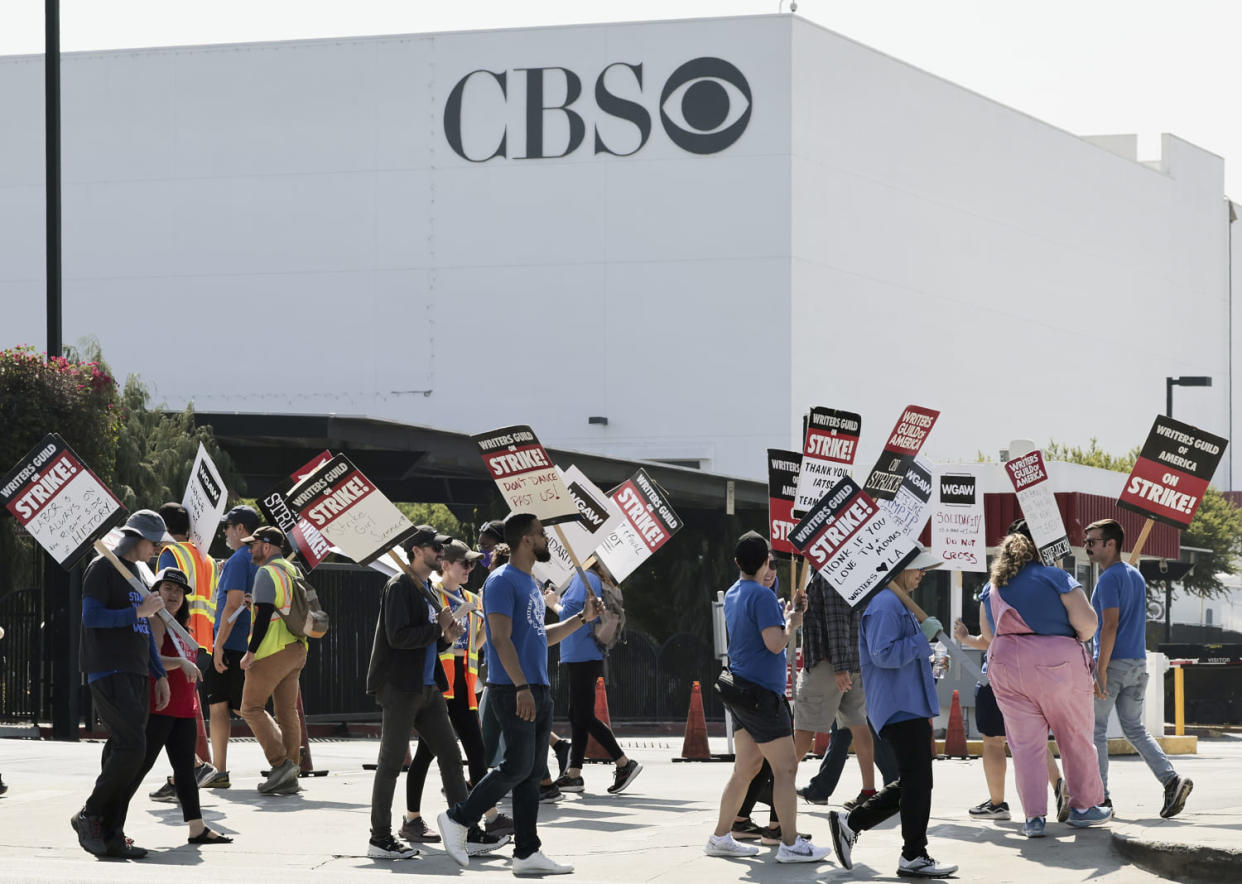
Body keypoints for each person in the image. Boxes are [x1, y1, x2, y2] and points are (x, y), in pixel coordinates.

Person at [437, 512, 605, 876]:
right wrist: (521, 687)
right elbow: (498, 638)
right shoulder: (500, 581)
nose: (547, 540)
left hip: (536, 688)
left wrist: (582, 619)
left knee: (530, 773)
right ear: (527, 539)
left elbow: (542, 636)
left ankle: (527, 853)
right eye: (542, 534)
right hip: (513, 689)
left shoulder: (530, 582)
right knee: (515, 767)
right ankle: (458, 817)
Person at [366, 526, 509, 860]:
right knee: (390, 762)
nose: (441, 554)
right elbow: (398, 636)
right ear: (418, 551)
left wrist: (447, 634)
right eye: (436, 548)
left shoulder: (423, 589)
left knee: (449, 754)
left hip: (429, 685)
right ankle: (380, 838)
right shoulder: (400, 585)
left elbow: (432, 639)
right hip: (401, 686)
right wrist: (438, 627)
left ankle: (466, 830)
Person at [828, 548, 958, 878]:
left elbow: (914, 658)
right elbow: (883, 654)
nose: (922, 574)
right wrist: (921, 639)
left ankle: (853, 823)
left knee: (915, 782)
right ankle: (912, 854)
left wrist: (937, 657)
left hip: (910, 703)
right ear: (899, 570)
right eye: (918, 569)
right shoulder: (885, 605)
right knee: (918, 782)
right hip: (899, 706)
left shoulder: (897, 604)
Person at [705, 531, 829, 864]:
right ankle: (789, 843)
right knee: (786, 768)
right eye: (770, 560)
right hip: (762, 697)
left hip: (740, 691)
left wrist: (787, 618)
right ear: (764, 562)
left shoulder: (734, 592)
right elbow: (776, 643)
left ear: (737, 563)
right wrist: (793, 622)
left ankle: (720, 836)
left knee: (745, 768)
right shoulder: (761, 596)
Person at [974, 530, 1109, 837]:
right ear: (1040, 550)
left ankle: (1034, 818)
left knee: (1025, 747)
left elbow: (988, 632)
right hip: (1057, 665)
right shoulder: (1055, 577)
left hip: (1006, 664)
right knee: (1074, 736)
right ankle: (1084, 808)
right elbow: (1088, 625)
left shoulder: (994, 585)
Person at [71, 510, 172, 859]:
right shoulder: (102, 568)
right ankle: (90, 814)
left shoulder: (137, 575)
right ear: (137, 538)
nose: (157, 549)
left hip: (135, 671)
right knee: (132, 747)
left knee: (125, 750)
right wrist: (138, 612)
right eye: (154, 542)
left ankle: (112, 833)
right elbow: (92, 617)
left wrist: (158, 673)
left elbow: (144, 633)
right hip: (108, 669)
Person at [400, 539, 514, 845]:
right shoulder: (431, 594)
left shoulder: (473, 599)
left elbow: (477, 643)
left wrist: (468, 638)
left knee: (477, 751)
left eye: (473, 564)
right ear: (446, 564)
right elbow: (432, 642)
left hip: (464, 685)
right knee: (427, 753)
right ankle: (411, 819)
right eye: (464, 563)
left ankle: (487, 815)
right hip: (440, 684)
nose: (469, 569)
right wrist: (449, 636)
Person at [1085, 518, 1193, 818]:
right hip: (1137, 663)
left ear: (1111, 543)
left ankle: (1100, 800)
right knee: (1135, 728)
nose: (1087, 546)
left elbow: (1110, 624)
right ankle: (1171, 780)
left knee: (1095, 732)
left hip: (1114, 664)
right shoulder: (1135, 575)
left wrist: (1101, 669)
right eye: (1087, 540)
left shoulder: (1108, 579)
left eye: (1093, 541)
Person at [129, 568, 233, 844]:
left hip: (184, 710)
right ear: (156, 592)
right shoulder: (156, 622)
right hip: (160, 708)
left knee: (186, 772)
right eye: (167, 589)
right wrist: (181, 663)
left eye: (179, 591)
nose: (173, 595)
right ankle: (103, 816)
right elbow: (150, 660)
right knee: (139, 767)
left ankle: (197, 827)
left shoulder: (180, 627)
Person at [795, 567, 897, 810]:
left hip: (829, 665)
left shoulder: (832, 571)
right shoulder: (857, 570)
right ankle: (869, 791)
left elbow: (836, 620)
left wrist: (840, 668)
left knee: (804, 731)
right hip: (855, 663)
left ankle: (775, 782)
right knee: (860, 727)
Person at [954, 606, 1068, 822]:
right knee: (1034, 741)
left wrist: (965, 638)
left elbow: (990, 640)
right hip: (1034, 675)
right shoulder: (1040, 591)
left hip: (999, 676)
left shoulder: (993, 593)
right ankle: (1059, 785)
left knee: (993, 742)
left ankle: (997, 804)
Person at [548, 561, 643, 796]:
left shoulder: (586, 577)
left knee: (582, 715)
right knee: (577, 714)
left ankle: (623, 763)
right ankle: (574, 774)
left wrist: (552, 604)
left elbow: (572, 612)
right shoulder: (587, 578)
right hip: (581, 652)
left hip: (583, 652)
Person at [148, 502, 220, 800]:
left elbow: (161, 591)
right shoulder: (207, 558)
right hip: (200, 640)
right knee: (182, 712)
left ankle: (193, 767)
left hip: (178, 638)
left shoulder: (170, 553)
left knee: (170, 712)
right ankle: (185, 775)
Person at [237, 526, 307, 795]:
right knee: (287, 712)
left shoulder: (266, 572)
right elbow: (282, 606)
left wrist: (251, 651)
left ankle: (280, 765)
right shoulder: (292, 570)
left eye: (253, 544)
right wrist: (253, 605)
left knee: (250, 708)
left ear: (266, 546)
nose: (250, 549)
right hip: (297, 648)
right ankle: (291, 773)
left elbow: (266, 614)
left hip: (271, 650)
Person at [205, 504, 260, 789]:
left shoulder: (239, 560)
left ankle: (282, 760)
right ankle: (220, 771)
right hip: (242, 642)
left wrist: (218, 646)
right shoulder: (252, 559)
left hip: (230, 643)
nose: (224, 531)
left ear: (241, 529)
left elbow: (233, 604)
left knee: (230, 708)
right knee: (236, 706)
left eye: (228, 526)